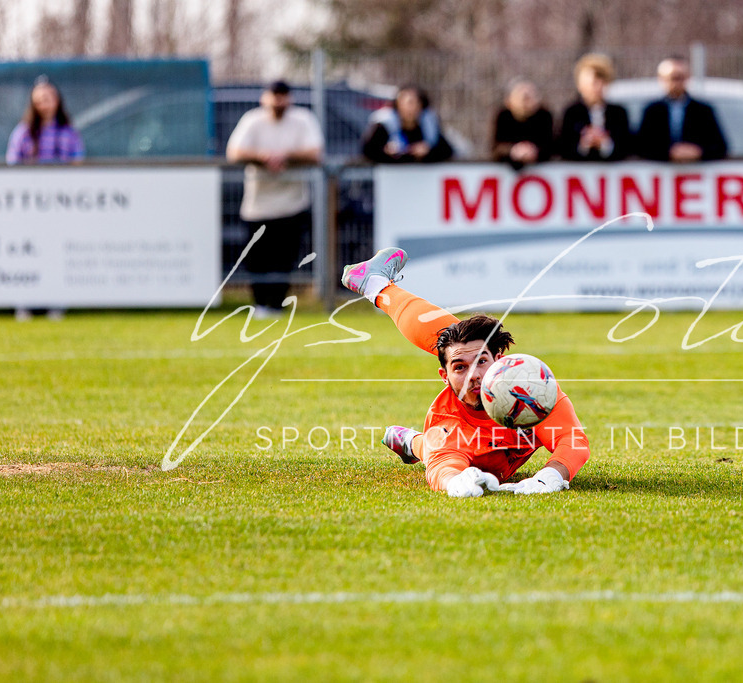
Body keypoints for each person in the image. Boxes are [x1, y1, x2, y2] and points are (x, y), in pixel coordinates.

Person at [340, 248, 590, 498]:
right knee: (429, 445)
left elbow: (572, 440)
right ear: (444, 377)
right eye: (459, 368)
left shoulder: (530, 383)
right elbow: (443, 467)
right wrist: (454, 481)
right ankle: (410, 441)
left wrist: (551, 476)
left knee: (457, 338)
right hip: (454, 445)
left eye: (483, 362)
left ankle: (375, 284)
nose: (474, 376)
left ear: (500, 361)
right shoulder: (445, 425)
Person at [226, 80, 325, 319]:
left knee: (284, 258)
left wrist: (286, 156)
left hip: (292, 202)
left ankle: (277, 306)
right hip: (257, 204)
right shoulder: (252, 120)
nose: (278, 101)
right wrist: (263, 157)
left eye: (283, 96)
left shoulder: (303, 119)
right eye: (274, 95)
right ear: (264, 97)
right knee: (257, 258)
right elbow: (234, 152)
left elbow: (316, 152)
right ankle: (260, 305)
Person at [7, 76, 84, 321]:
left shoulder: (69, 132)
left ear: (57, 100)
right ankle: (25, 303)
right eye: (39, 100)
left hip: (61, 206)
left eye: (48, 98)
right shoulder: (23, 133)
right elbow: (12, 166)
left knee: (58, 251)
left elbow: (78, 163)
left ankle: (56, 302)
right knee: (28, 252)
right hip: (29, 206)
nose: (44, 104)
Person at [635, 56, 728, 162]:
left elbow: (720, 146)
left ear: (688, 77)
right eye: (673, 78)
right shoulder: (652, 111)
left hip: (697, 173)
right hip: (659, 173)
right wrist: (669, 152)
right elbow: (641, 146)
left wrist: (698, 152)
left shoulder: (704, 111)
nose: (676, 83)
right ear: (661, 79)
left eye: (680, 77)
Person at [558, 53, 631, 161]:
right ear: (580, 85)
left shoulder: (618, 113)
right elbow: (563, 147)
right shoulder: (572, 113)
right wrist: (584, 145)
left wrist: (605, 144)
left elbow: (627, 147)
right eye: (592, 83)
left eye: (600, 83)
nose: (596, 88)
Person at [361, 85, 454, 163]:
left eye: (414, 103)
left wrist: (428, 151)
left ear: (421, 106)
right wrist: (386, 152)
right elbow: (367, 151)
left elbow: (447, 151)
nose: (410, 108)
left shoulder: (429, 127)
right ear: (397, 104)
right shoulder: (385, 124)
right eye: (407, 103)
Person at [491, 77, 554, 169]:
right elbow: (496, 149)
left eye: (530, 97)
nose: (526, 103)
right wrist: (513, 151)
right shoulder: (503, 117)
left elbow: (552, 147)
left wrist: (534, 151)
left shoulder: (544, 116)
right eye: (522, 97)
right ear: (509, 101)